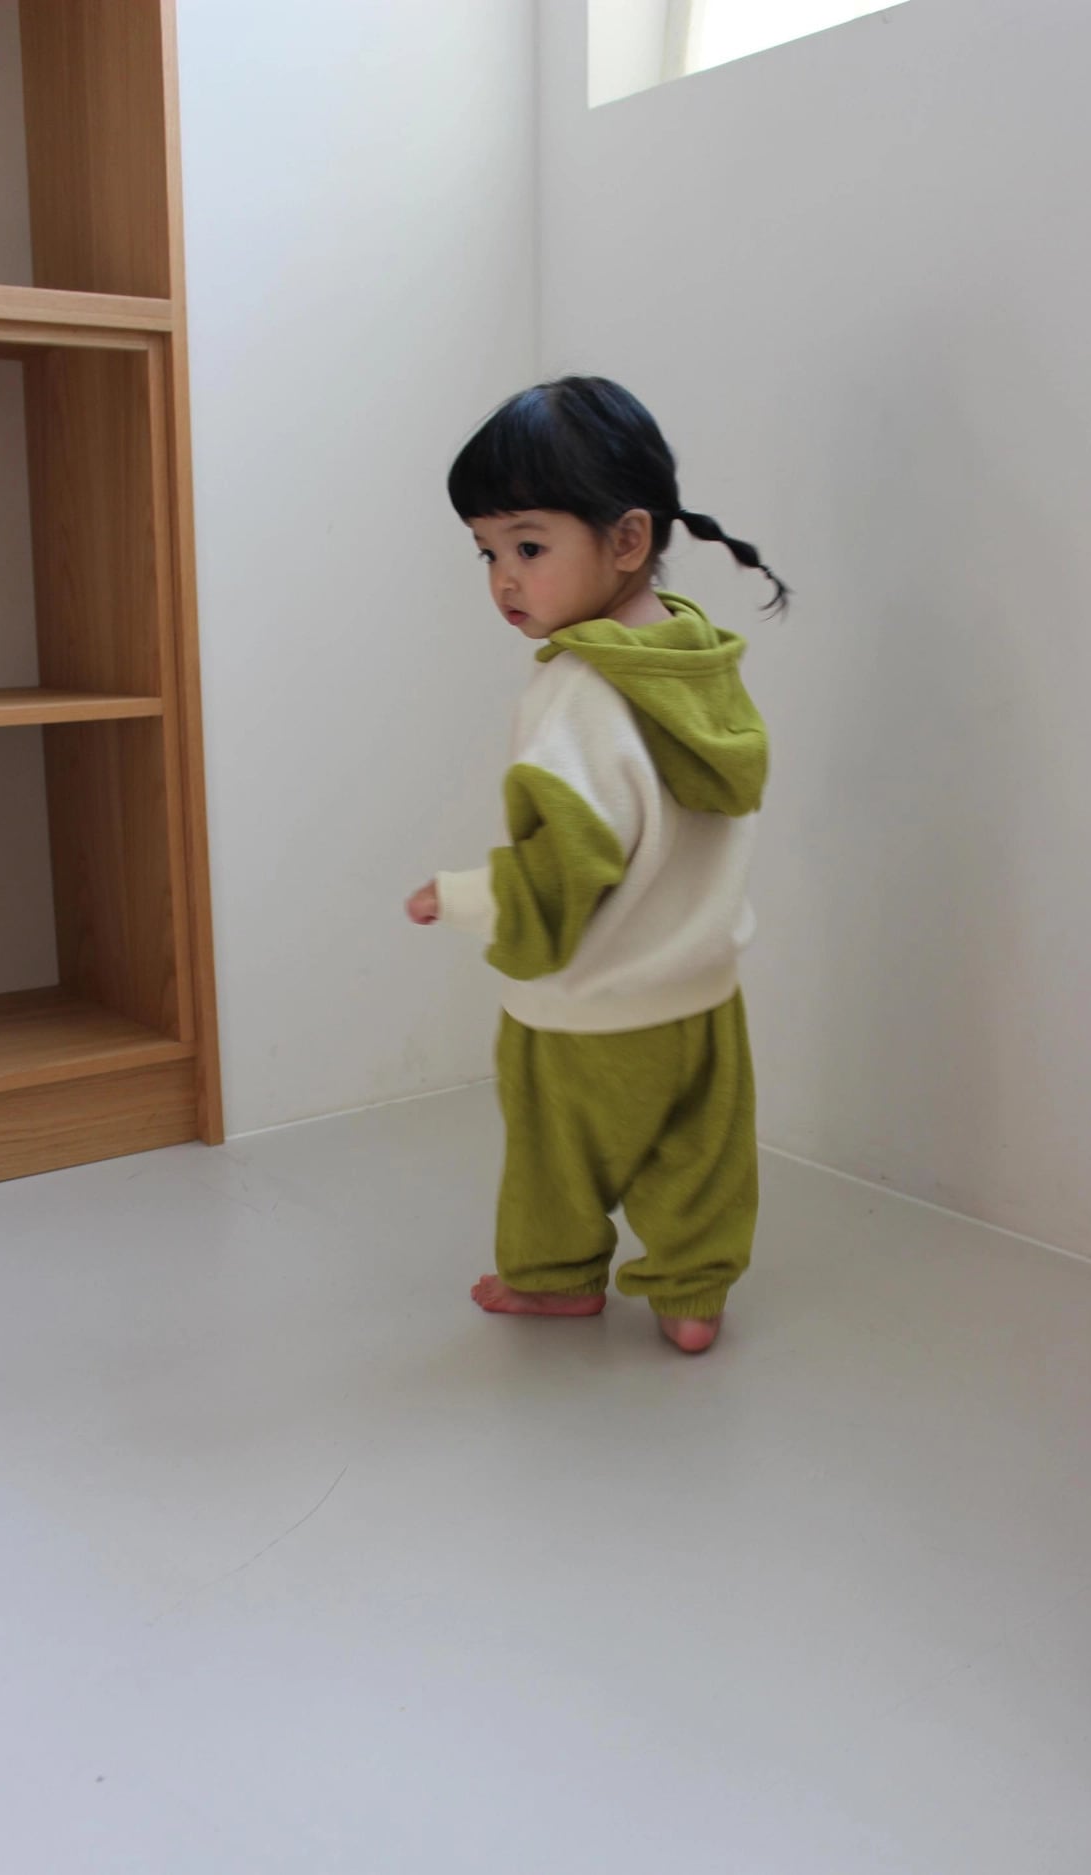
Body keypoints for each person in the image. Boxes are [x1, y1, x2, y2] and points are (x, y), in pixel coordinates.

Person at [406, 377, 783, 1354]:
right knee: (699, 1158)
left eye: (528, 547)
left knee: (555, 1157)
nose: (503, 579)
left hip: (588, 1012)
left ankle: (554, 1279)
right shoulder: (698, 664)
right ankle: (693, 1297)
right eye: (487, 551)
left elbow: (567, 866)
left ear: (625, 540)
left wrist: (460, 897)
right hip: (702, 998)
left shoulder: (578, 691)